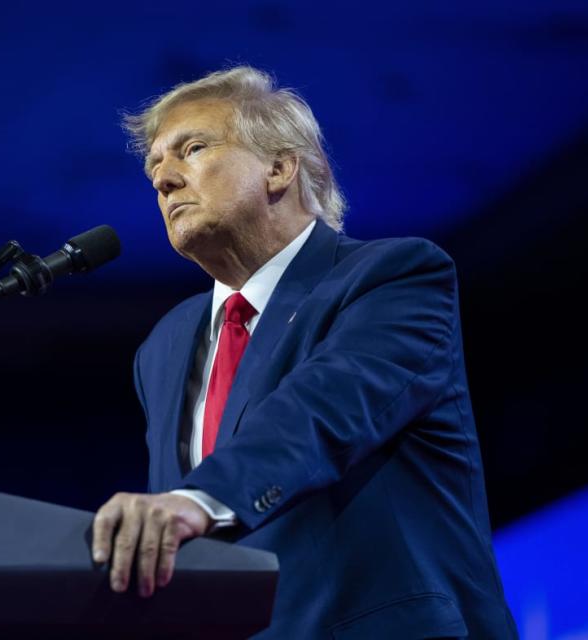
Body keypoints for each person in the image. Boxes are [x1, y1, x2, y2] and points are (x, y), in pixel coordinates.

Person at [90, 66, 518, 639]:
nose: (163, 180)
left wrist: (200, 500)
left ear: (279, 167)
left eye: (191, 149)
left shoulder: (393, 277)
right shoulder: (164, 346)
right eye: (154, 168)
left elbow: (322, 411)